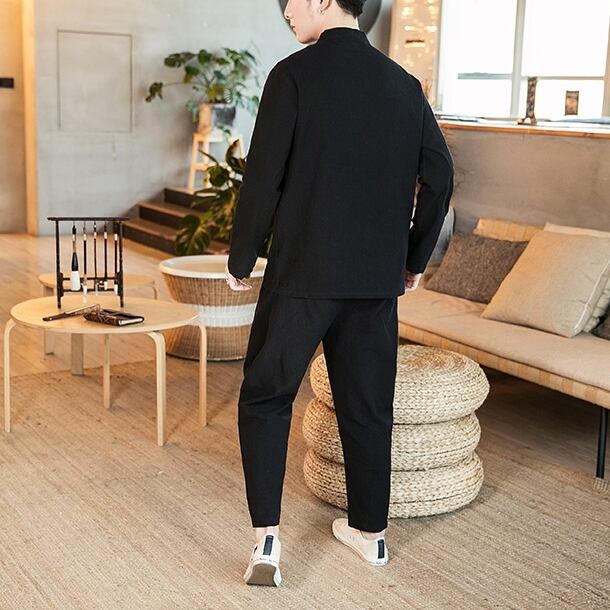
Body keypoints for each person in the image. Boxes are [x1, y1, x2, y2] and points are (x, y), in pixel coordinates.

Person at [225, 0, 454, 587]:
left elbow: (264, 176)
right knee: (368, 406)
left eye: (290, 3)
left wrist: (242, 257)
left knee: (266, 397)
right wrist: (413, 259)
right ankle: (371, 537)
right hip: (375, 283)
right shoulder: (404, 85)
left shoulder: (293, 75)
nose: (285, 12)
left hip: (303, 276)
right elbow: (440, 176)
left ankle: (267, 544)